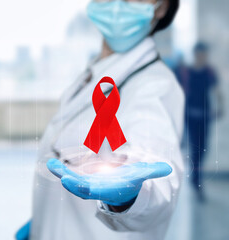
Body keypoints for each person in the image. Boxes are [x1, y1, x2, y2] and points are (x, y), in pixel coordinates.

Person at [16, 0, 185, 239]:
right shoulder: (97, 72)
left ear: (161, 7)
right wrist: (44, 220)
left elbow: (153, 163)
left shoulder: (155, 86)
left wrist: (133, 195)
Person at [186, 42, 223, 201]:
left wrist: (221, 106)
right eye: (199, 53)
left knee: (203, 149)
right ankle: (197, 180)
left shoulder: (209, 72)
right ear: (195, 54)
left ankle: (195, 177)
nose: (202, 56)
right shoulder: (187, 72)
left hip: (205, 115)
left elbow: (216, 91)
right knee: (195, 148)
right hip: (190, 115)